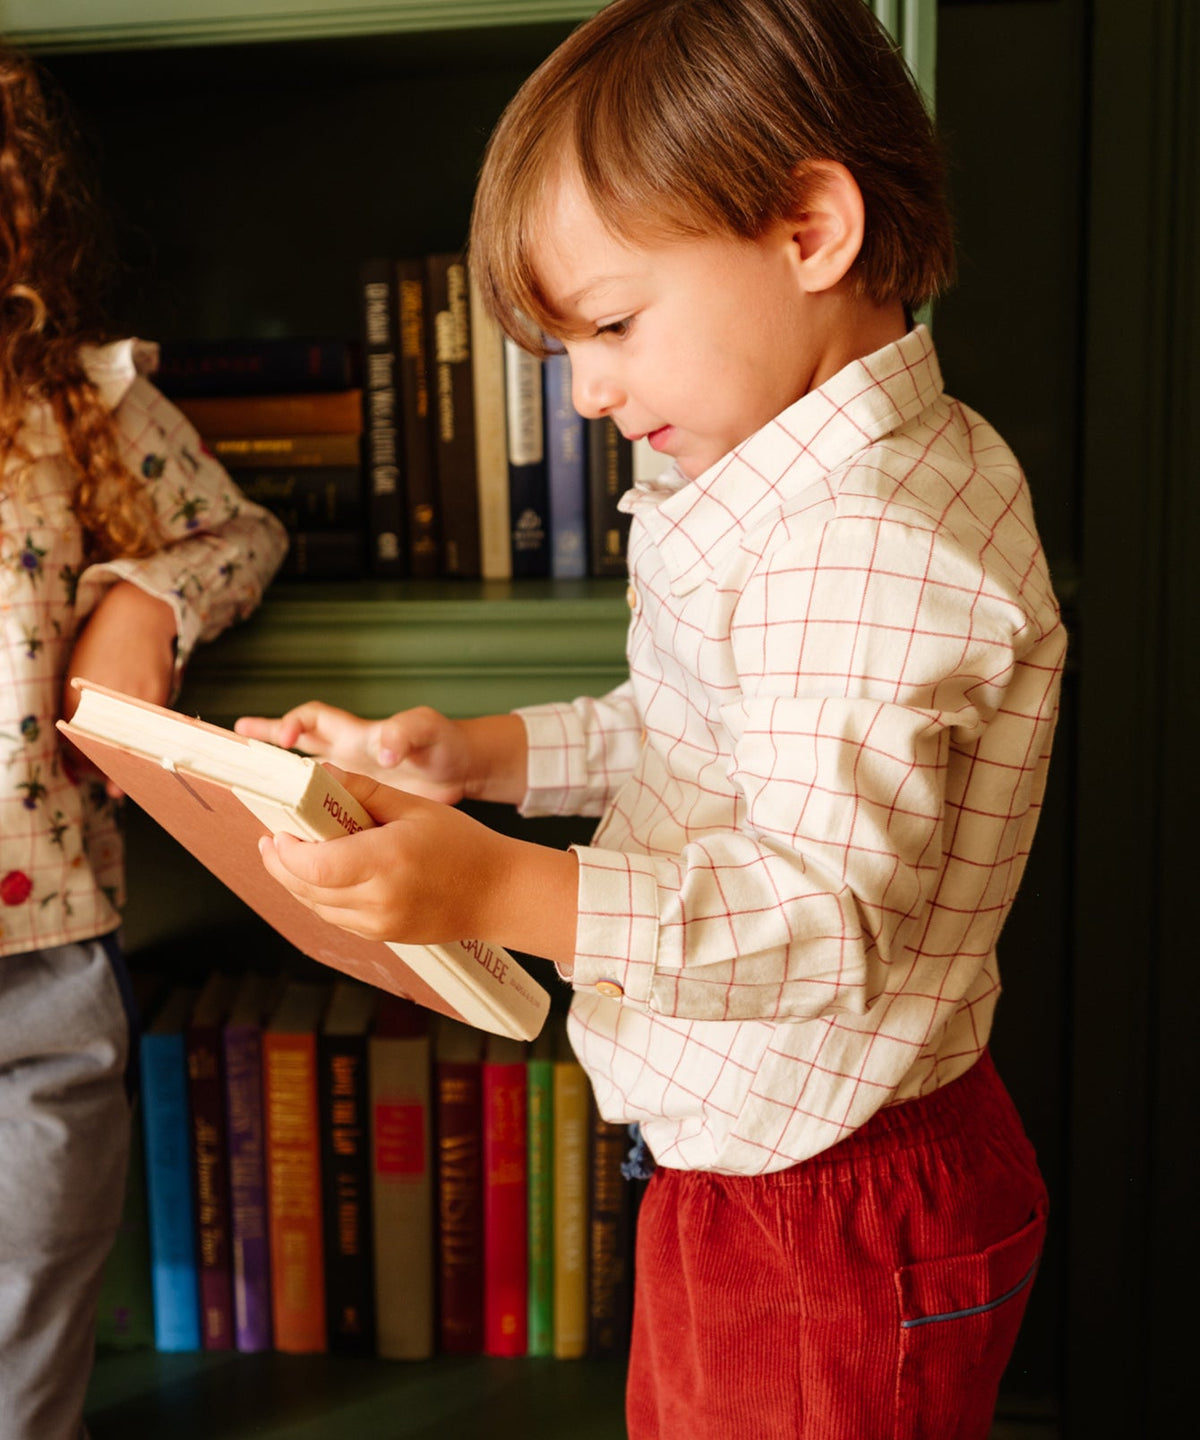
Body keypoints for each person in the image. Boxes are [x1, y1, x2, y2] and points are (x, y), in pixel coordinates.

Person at [238, 2, 1066, 1434]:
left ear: (811, 230)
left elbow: (820, 919)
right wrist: (478, 760)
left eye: (614, 324)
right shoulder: (802, 479)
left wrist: (497, 888)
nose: (592, 391)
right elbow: (700, 737)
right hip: (771, 1168)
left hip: (825, 1211)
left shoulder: (860, 542)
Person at [0, 44, 287, 1440]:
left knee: (32, 1290)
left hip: (40, 955)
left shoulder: (75, 402)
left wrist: (141, 600)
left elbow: (240, 532)